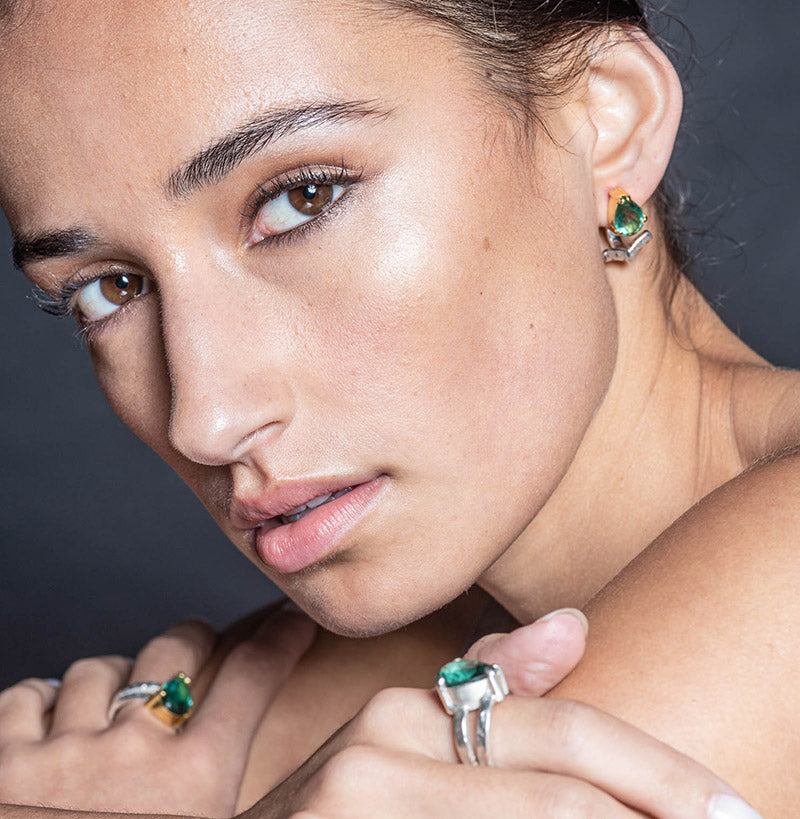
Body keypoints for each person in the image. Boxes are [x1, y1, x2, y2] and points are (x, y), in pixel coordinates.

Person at [0, 0, 796, 816]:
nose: (204, 419)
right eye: (110, 288)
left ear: (608, 118)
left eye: (301, 198)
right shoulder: (373, 677)